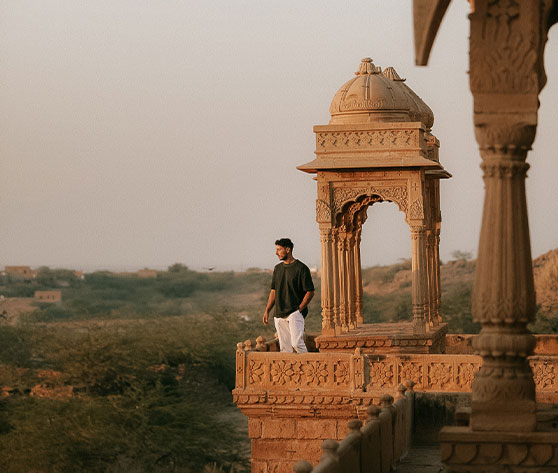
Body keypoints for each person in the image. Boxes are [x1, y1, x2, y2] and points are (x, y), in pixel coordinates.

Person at [262, 238, 314, 353]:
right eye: (276, 250)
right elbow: (273, 291)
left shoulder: (301, 268)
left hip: (295, 312)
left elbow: (310, 291)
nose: (276, 253)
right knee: (285, 348)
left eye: (279, 249)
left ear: (288, 249)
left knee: (297, 344)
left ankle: (308, 368)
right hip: (279, 313)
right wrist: (267, 310)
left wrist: (300, 308)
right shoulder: (278, 268)